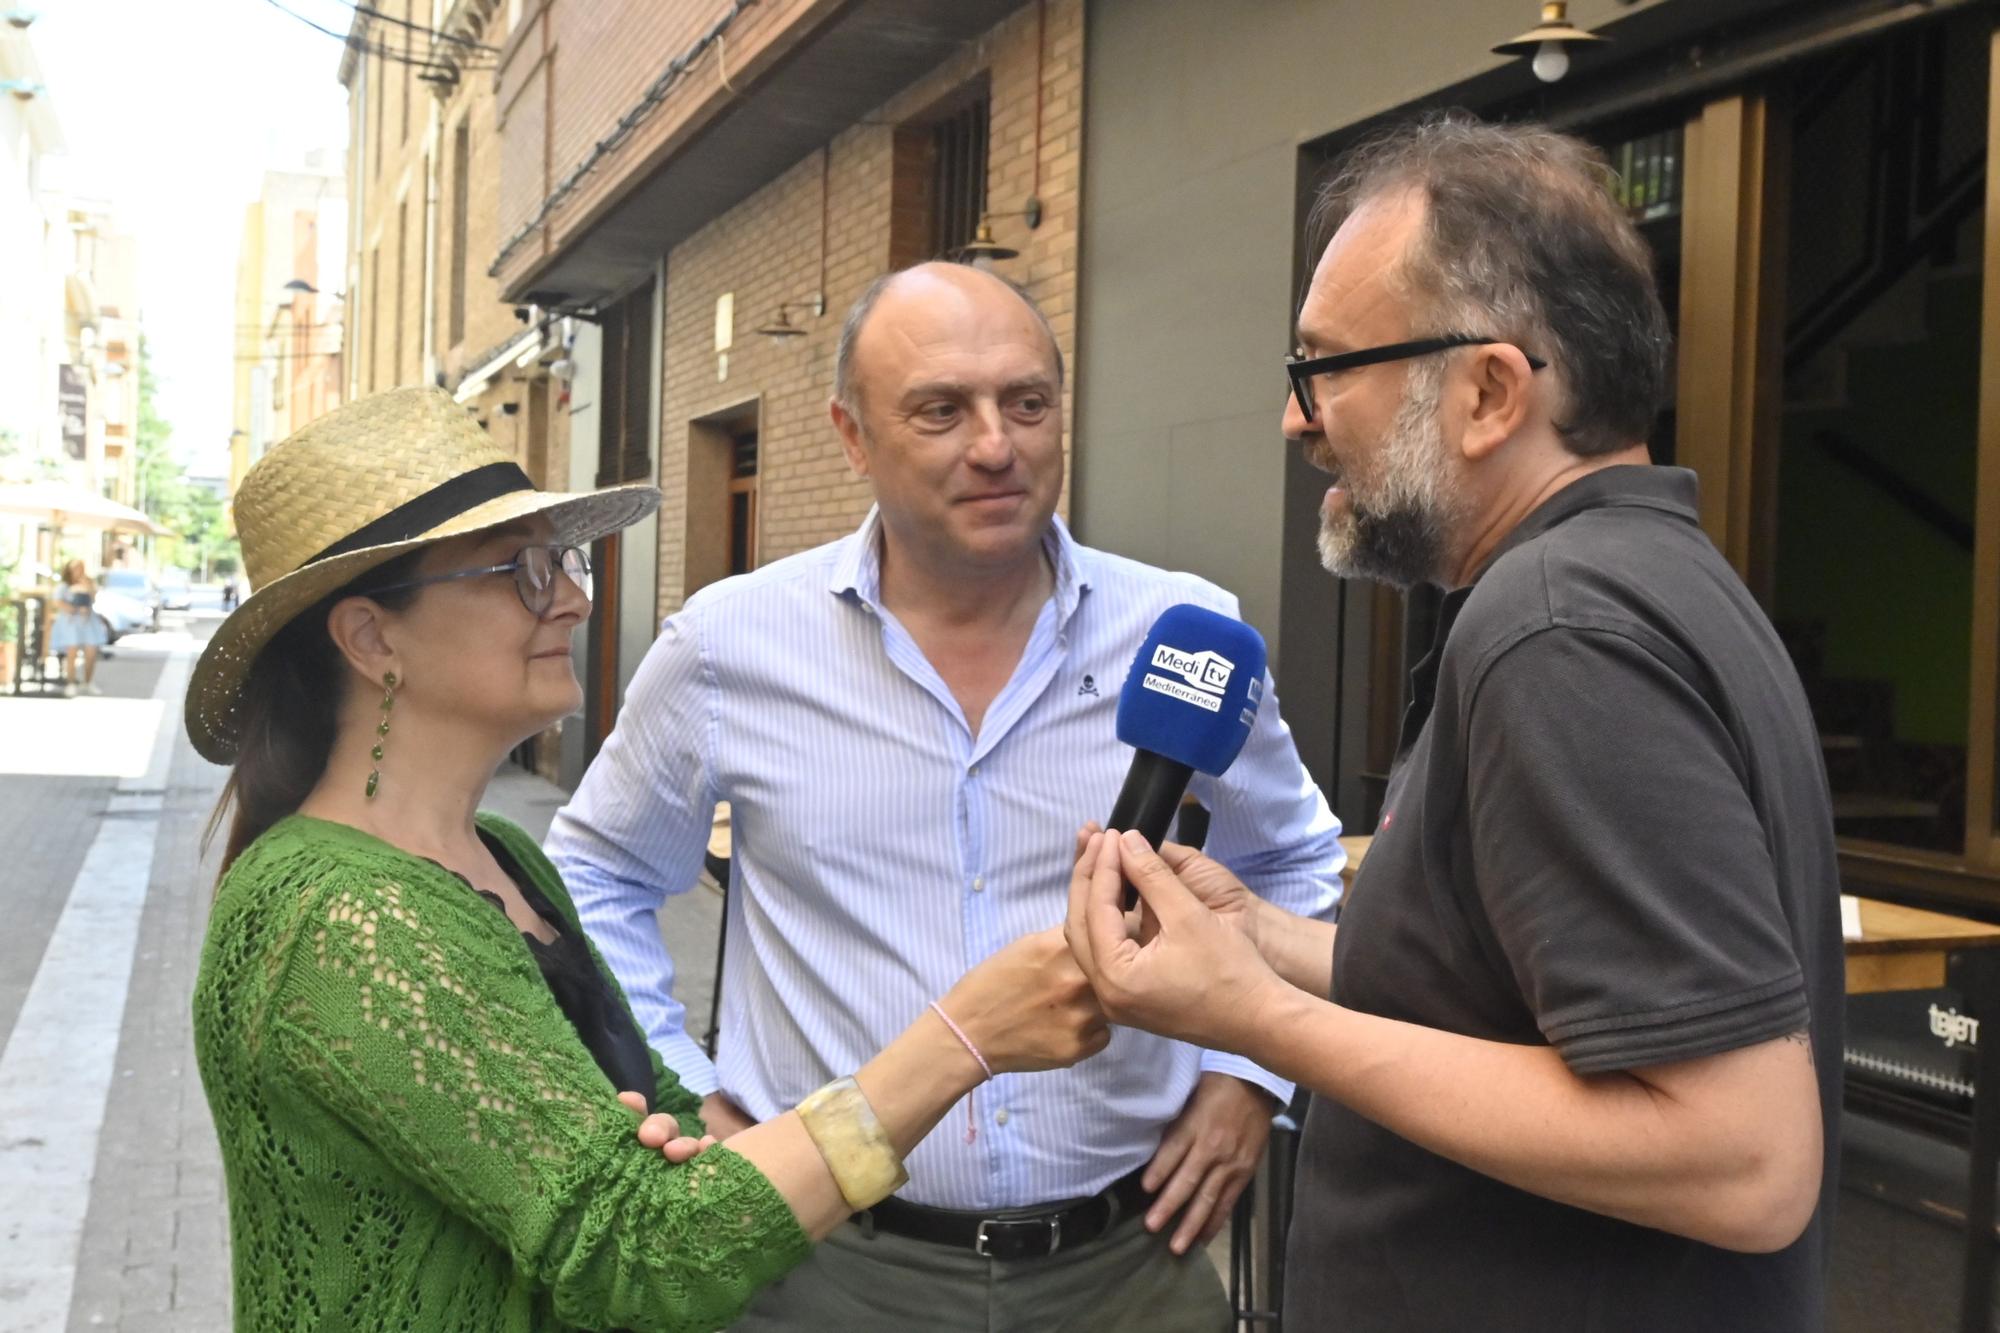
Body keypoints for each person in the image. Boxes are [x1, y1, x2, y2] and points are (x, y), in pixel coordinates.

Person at [1064, 113, 1842, 1332]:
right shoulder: (1641, 579)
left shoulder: (1555, 628)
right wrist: (1261, 940)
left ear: (1486, 391)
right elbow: (1522, 1013)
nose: (1294, 418)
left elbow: (1739, 1156)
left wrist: (1250, 1020)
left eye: (1324, 366)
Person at [187, 387, 1106, 1333]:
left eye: (563, 561)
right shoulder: (342, 916)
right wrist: (961, 1040)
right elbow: (647, 1252)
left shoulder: (499, 855)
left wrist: (678, 1173)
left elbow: (665, 1153)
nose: (576, 598)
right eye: (524, 570)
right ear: (372, 637)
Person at [547, 262, 1343, 1332]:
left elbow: (1289, 859)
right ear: (851, 435)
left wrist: (1249, 1074)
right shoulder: (728, 646)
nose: (994, 445)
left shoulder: (1181, 632)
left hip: (1131, 1265)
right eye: (939, 410)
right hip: (827, 1271)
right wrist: (686, 1087)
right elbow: (593, 875)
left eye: (1027, 401)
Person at [46, 558, 105, 695]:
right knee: (71, 653)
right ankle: (71, 684)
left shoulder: (88, 582)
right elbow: (57, 602)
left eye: (81, 568)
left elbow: (94, 599)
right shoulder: (64, 586)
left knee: (91, 653)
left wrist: (89, 587)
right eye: (76, 569)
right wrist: (75, 609)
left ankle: (87, 682)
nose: (79, 571)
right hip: (70, 623)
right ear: (70, 571)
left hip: (89, 623)